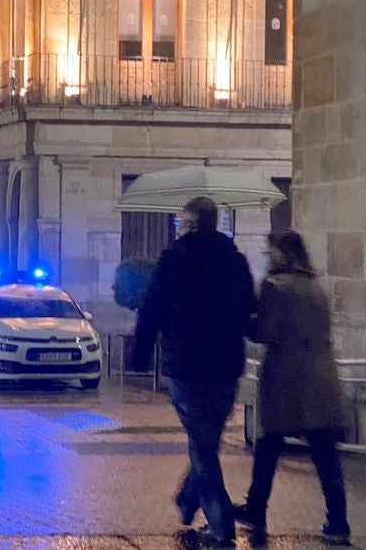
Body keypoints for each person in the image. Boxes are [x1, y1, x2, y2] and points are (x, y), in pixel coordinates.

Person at [134, 196, 256, 547]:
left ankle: (220, 525)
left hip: (187, 363)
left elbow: (152, 306)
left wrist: (141, 355)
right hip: (226, 364)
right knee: (206, 440)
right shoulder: (235, 261)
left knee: (203, 446)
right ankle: (189, 499)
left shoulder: (175, 259)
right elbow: (249, 307)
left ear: (188, 224)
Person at [234, 230, 351, 544]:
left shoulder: (275, 286)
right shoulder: (317, 287)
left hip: (287, 380)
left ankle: (256, 509)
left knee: (269, 446)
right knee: (326, 455)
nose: (267, 256)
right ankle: (338, 521)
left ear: (281, 253)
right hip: (322, 379)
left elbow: (263, 332)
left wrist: (243, 319)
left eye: (270, 251)